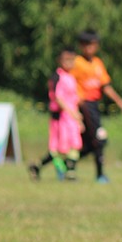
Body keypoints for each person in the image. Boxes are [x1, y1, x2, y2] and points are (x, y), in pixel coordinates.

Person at [71, 29, 122, 183]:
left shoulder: (97, 63)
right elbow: (69, 84)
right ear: (82, 46)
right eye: (89, 45)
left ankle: (67, 165)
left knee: (90, 143)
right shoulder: (76, 63)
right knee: (99, 140)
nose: (92, 48)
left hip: (95, 105)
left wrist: (120, 102)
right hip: (84, 106)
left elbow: (105, 86)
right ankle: (99, 175)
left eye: (94, 45)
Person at [29, 48, 84, 180]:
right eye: (67, 60)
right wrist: (72, 113)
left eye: (72, 60)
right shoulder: (57, 77)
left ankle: (70, 172)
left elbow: (73, 99)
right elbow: (58, 99)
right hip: (62, 117)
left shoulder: (71, 77)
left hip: (71, 117)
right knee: (59, 148)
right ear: (59, 60)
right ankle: (38, 166)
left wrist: (78, 117)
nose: (70, 63)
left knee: (74, 144)